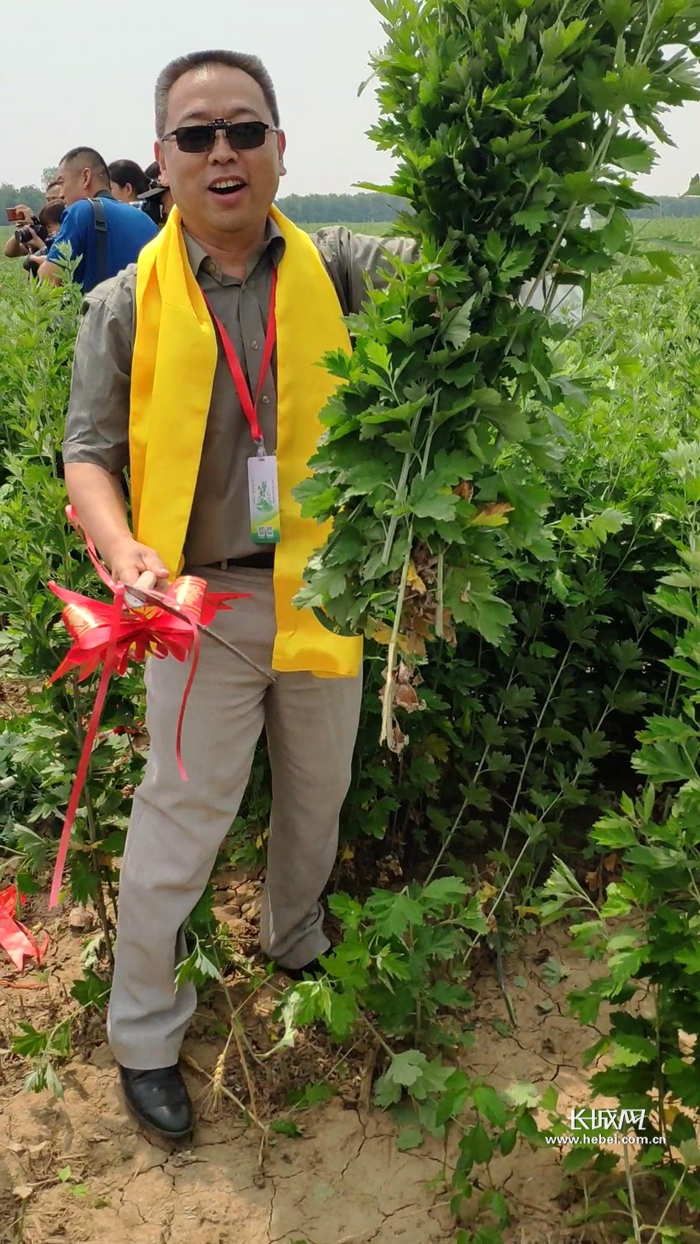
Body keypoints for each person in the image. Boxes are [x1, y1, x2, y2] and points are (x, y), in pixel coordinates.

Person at [60, 48, 433, 1143]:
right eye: (195, 135)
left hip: (328, 585)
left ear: (278, 146)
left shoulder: (342, 264)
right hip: (196, 602)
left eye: (243, 129)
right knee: (180, 819)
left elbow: (461, 279)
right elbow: (88, 453)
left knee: (317, 789)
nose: (222, 152)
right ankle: (144, 1033)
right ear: (163, 164)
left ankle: (293, 932)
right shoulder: (126, 301)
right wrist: (124, 547)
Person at [37, 146, 158, 293]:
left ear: (86, 178)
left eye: (62, 183)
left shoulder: (82, 210)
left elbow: (49, 281)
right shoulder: (147, 221)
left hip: (98, 314)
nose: (61, 194)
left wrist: (40, 265)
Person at [22, 200, 65, 278]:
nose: (48, 231)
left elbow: (54, 262)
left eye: (49, 226)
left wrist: (41, 246)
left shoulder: (64, 242)